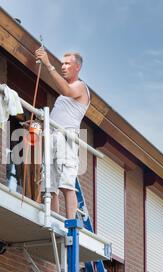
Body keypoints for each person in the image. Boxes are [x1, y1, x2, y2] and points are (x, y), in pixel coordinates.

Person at [34, 48, 91, 219]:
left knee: (66, 184)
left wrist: (48, 65)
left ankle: (71, 223)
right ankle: (53, 218)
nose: (63, 67)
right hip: (52, 137)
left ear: (77, 67)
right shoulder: (62, 98)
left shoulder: (80, 86)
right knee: (49, 186)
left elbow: (67, 91)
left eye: (67, 64)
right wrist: (40, 125)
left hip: (66, 137)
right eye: (62, 64)